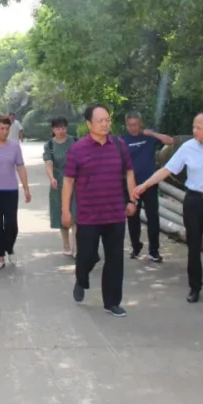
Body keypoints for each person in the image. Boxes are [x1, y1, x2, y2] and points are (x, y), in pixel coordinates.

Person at [134, 112, 203, 319]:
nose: (194, 130)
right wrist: (145, 185)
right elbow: (166, 170)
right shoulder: (187, 147)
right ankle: (195, 287)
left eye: (199, 127)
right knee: (193, 246)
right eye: (193, 126)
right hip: (193, 202)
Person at [62, 105, 138, 317]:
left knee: (115, 259)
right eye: (100, 121)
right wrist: (66, 211)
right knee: (86, 256)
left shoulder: (119, 146)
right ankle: (81, 278)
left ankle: (112, 302)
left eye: (107, 120)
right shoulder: (77, 149)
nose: (105, 124)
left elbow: (129, 173)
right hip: (88, 216)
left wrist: (133, 200)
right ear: (89, 124)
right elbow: (68, 181)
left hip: (115, 213)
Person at [121, 111, 174, 262]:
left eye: (136, 125)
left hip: (149, 184)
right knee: (133, 217)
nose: (133, 128)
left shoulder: (149, 137)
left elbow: (170, 141)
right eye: (130, 125)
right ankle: (136, 247)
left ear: (140, 123)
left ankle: (154, 251)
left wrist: (151, 134)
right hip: (131, 185)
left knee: (153, 217)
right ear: (126, 125)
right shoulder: (122, 140)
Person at [0, 114, 31, 269]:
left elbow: (20, 166)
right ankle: (0, 257)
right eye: (2, 128)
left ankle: (9, 247)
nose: (5, 132)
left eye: (7, 128)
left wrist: (26, 188)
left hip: (10, 190)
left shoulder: (14, 146)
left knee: (11, 223)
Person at [43, 117, 77, 256]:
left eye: (63, 127)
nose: (61, 131)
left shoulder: (75, 141)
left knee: (75, 213)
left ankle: (76, 246)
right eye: (58, 128)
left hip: (76, 182)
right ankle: (66, 244)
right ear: (53, 129)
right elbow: (48, 163)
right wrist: (52, 178)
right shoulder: (50, 145)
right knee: (62, 213)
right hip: (58, 183)